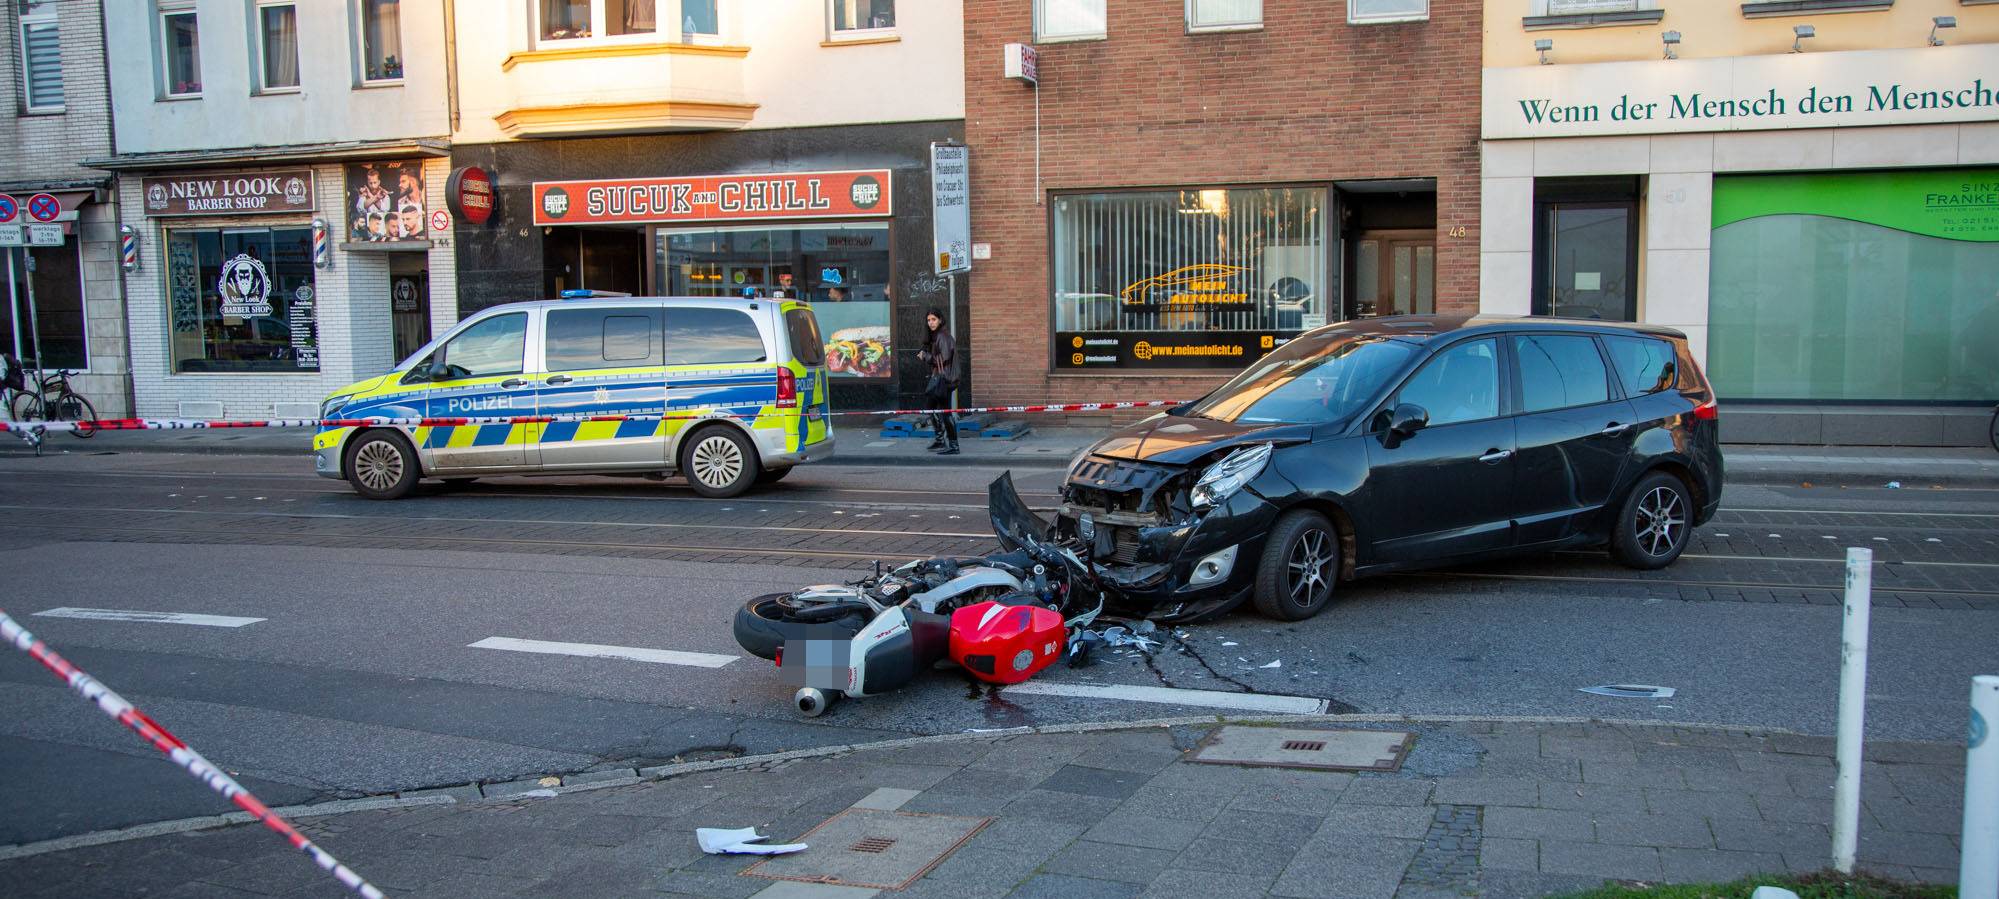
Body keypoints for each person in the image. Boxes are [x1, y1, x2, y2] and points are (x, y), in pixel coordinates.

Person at [917, 307, 959, 455]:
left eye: (934, 319)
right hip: (940, 379)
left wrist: (926, 356)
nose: (931, 323)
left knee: (946, 412)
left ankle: (954, 445)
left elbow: (944, 358)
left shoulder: (943, 336)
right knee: (930, 407)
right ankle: (940, 440)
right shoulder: (936, 336)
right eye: (928, 320)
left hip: (945, 380)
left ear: (940, 320)